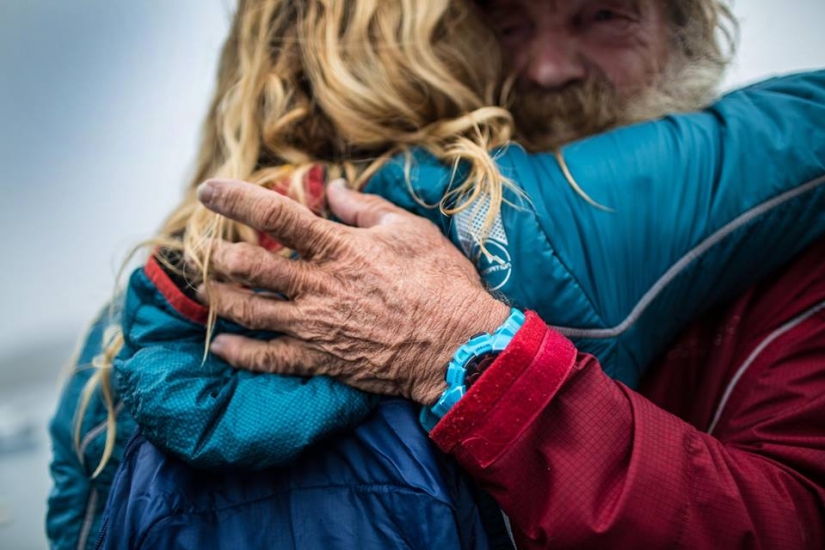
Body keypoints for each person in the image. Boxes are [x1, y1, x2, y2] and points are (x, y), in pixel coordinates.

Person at [48, 0, 825, 549]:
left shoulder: (791, 256)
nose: (548, 69)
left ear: (689, 30)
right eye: (507, 22)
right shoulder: (457, 224)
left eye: (602, 15)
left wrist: (470, 354)